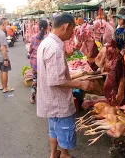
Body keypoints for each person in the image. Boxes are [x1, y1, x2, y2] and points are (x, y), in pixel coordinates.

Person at [36, 13, 94, 158]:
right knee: (64, 130)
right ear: (66, 26)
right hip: (58, 103)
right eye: (73, 29)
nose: (73, 33)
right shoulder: (54, 48)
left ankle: (53, 154)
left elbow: (53, 75)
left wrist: (75, 75)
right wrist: (80, 84)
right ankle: (64, 155)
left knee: (54, 129)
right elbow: (56, 81)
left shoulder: (46, 42)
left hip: (50, 101)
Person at [0, 18, 14, 93]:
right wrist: (5, 59)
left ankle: (2, 85)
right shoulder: (2, 34)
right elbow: (3, 48)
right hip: (2, 56)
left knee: (1, 71)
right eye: (7, 24)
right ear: (3, 24)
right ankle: (5, 88)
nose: (8, 26)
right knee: (5, 71)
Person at [29, 20, 48, 104]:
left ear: (39, 27)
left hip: (35, 62)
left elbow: (30, 50)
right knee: (45, 81)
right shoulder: (48, 38)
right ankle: (45, 99)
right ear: (47, 27)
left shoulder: (33, 37)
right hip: (44, 62)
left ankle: (32, 97)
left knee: (35, 80)